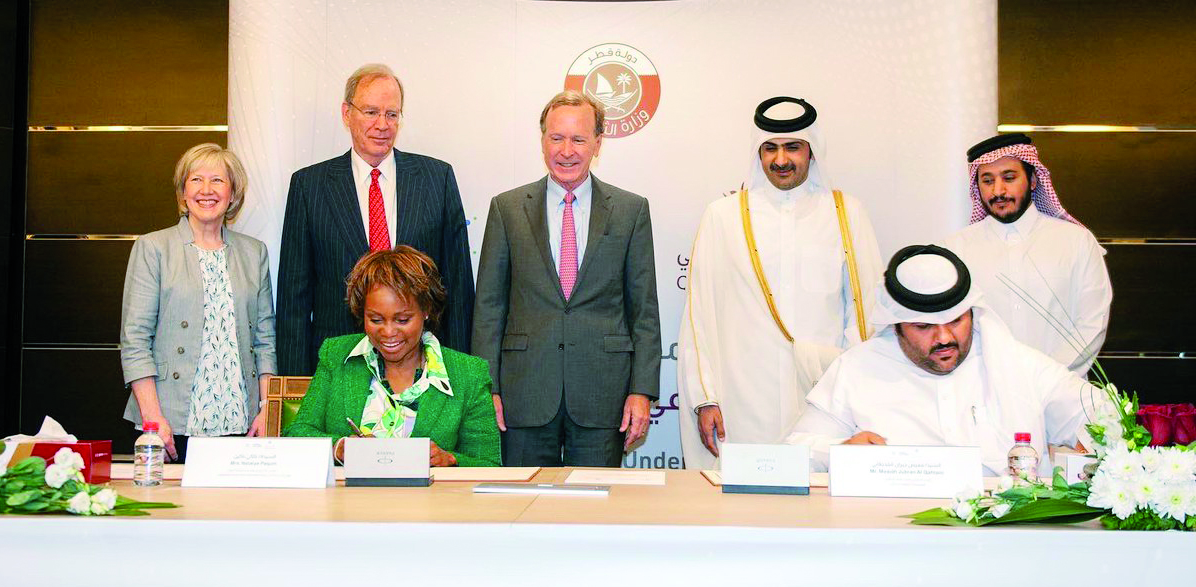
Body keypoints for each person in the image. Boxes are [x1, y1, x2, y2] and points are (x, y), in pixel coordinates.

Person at [676, 96, 883, 470]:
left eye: (793, 147)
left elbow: (865, 312)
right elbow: (698, 315)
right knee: (743, 506)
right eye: (769, 148)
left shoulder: (845, 212)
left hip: (822, 395)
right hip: (742, 394)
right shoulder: (722, 216)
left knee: (820, 502)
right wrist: (704, 396)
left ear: (812, 152)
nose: (781, 160)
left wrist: (855, 394)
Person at [786, 244, 1106, 477]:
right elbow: (794, 450)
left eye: (955, 321)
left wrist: (1092, 446)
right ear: (896, 326)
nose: (944, 338)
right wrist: (839, 450)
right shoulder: (856, 369)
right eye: (924, 327)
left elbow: (1106, 416)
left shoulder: (1020, 365)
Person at [471, 90, 661, 467]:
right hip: (522, 395)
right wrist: (485, 389)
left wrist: (641, 390)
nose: (567, 150)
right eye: (556, 138)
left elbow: (644, 312)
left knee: (596, 516)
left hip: (602, 397)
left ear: (597, 143)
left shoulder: (631, 211)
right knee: (521, 512)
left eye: (578, 139)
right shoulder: (506, 208)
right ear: (542, 141)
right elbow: (489, 308)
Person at [276, 63, 474, 376]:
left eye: (391, 114)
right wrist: (294, 388)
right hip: (339, 370)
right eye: (370, 112)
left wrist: (462, 375)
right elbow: (293, 302)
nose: (382, 124)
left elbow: (459, 288)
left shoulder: (438, 179)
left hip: (423, 370)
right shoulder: (309, 186)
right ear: (346, 114)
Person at [121, 143, 277, 462]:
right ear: (183, 193)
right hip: (169, 424)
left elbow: (265, 341)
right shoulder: (154, 248)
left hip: (242, 422)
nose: (207, 190)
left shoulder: (254, 253)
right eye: (196, 180)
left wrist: (267, 411)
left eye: (218, 180)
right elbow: (135, 341)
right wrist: (154, 422)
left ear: (233, 194)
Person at [285, 247, 500, 467]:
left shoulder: (469, 374)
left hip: (430, 502)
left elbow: (489, 465)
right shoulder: (336, 356)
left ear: (425, 311)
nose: (388, 332)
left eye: (402, 320)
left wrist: (451, 460)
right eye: (376, 320)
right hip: (349, 501)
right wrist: (339, 448)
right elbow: (296, 435)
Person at [943, 133, 1112, 375]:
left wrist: (1045, 378)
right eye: (987, 181)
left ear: (1033, 180)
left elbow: (1092, 323)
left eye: (1009, 178)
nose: (998, 191)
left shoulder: (1076, 242)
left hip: (1061, 394)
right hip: (986, 392)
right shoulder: (956, 249)